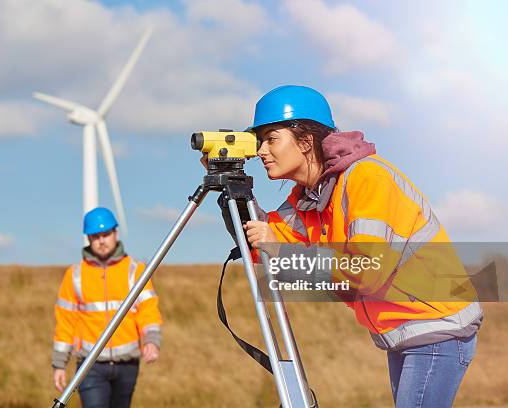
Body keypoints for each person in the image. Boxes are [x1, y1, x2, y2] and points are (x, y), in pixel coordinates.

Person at [204, 85, 482, 408]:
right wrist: (232, 191)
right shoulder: (310, 199)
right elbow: (261, 246)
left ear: (306, 141)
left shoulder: (365, 179)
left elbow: (367, 272)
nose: (262, 151)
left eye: (271, 138)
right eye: (259, 141)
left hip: (437, 326)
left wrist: (279, 249)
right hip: (405, 332)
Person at [52, 207, 162, 408]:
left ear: (115, 233)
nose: (102, 240)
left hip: (127, 365)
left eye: (106, 234)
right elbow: (65, 322)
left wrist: (152, 341)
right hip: (90, 365)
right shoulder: (74, 275)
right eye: (96, 236)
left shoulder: (135, 271)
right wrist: (59, 364)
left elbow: (148, 311)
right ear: (89, 238)